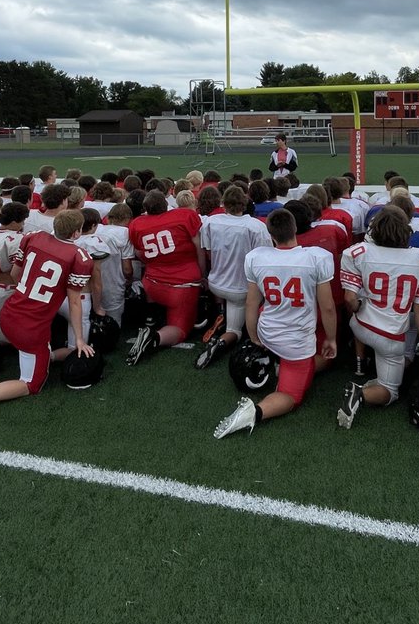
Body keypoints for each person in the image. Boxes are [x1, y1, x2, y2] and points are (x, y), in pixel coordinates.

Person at [0, 209, 95, 429]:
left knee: (33, 351)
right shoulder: (80, 257)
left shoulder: (33, 237)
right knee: (32, 384)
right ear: (76, 232)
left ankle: (10, 349)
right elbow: (74, 302)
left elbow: (15, 276)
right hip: (31, 329)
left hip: (8, 313)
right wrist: (80, 339)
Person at [214, 208, 335, 439]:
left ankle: (275, 366)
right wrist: (330, 338)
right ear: (295, 228)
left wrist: (254, 336)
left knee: (267, 311)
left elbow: (252, 302)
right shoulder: (316, 257)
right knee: (292, 396)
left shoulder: (257, 257)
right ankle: (255, 412)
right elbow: (327, 307)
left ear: (270, 234)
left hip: (267, 331)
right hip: (295, 343)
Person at [336, 206, 419, 428]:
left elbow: (350, 300)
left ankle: (365, 362)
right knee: (390, 392)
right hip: (390, 337)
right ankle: (360, 394)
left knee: (399, 318)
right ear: (406, 230)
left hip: (361, 326)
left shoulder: (357, 252)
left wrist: (359, 308)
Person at [125, 190, 205, 364]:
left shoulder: (137, 224)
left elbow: (140, 253)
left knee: (152, 285)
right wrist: (203, 275)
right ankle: (154, 337)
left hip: (152, 284)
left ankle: (151, 317)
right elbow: (199, 248)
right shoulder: (185, 215)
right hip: (182, 285)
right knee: (179, 330)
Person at [196, 184, 270, 368]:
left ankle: (221, 317)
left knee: (235, 311)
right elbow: (266, 261)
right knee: (235, 330)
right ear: (245, 203)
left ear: (224, 202)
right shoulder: (256, 227)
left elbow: (208, 253)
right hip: (241, 288)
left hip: (216, 283)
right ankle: (224, 340)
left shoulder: (211, 222)